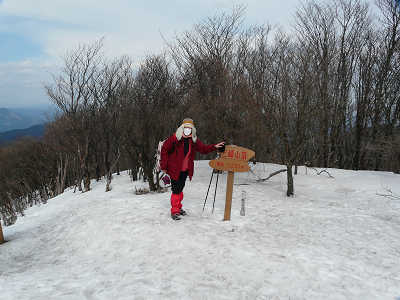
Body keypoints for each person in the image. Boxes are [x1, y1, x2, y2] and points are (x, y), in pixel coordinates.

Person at [160, 118, 225, 220]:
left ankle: (178, 207)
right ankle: (174, 211)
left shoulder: (193, 140)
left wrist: (214, 147)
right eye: (185, 128)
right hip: (174, 169)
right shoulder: (175, 138)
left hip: (185, 170)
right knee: (176, 190)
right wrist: (163, 166)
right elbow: (164, 150)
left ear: (192, 129)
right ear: (182, 128)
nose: (187, 130)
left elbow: (203, 149)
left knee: (180, 188)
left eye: (189, 128)